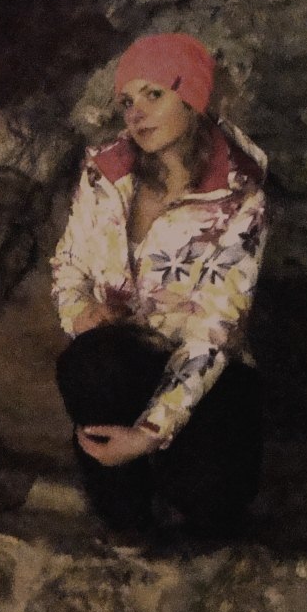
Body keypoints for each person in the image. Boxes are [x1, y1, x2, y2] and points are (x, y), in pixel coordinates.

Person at [51, 32, 268, 537]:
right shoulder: (106, 176)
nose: (137, 114)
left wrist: (150, 433)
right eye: (127, 101)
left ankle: (190, 501)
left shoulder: (238, 196)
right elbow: (69, 266)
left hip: (207, 376)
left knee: (207, 501)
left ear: (192, 98)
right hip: (129, 359)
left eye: (154, 94)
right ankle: (126, 525)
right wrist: (81, 315)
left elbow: (215, 330)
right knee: (89, 363)